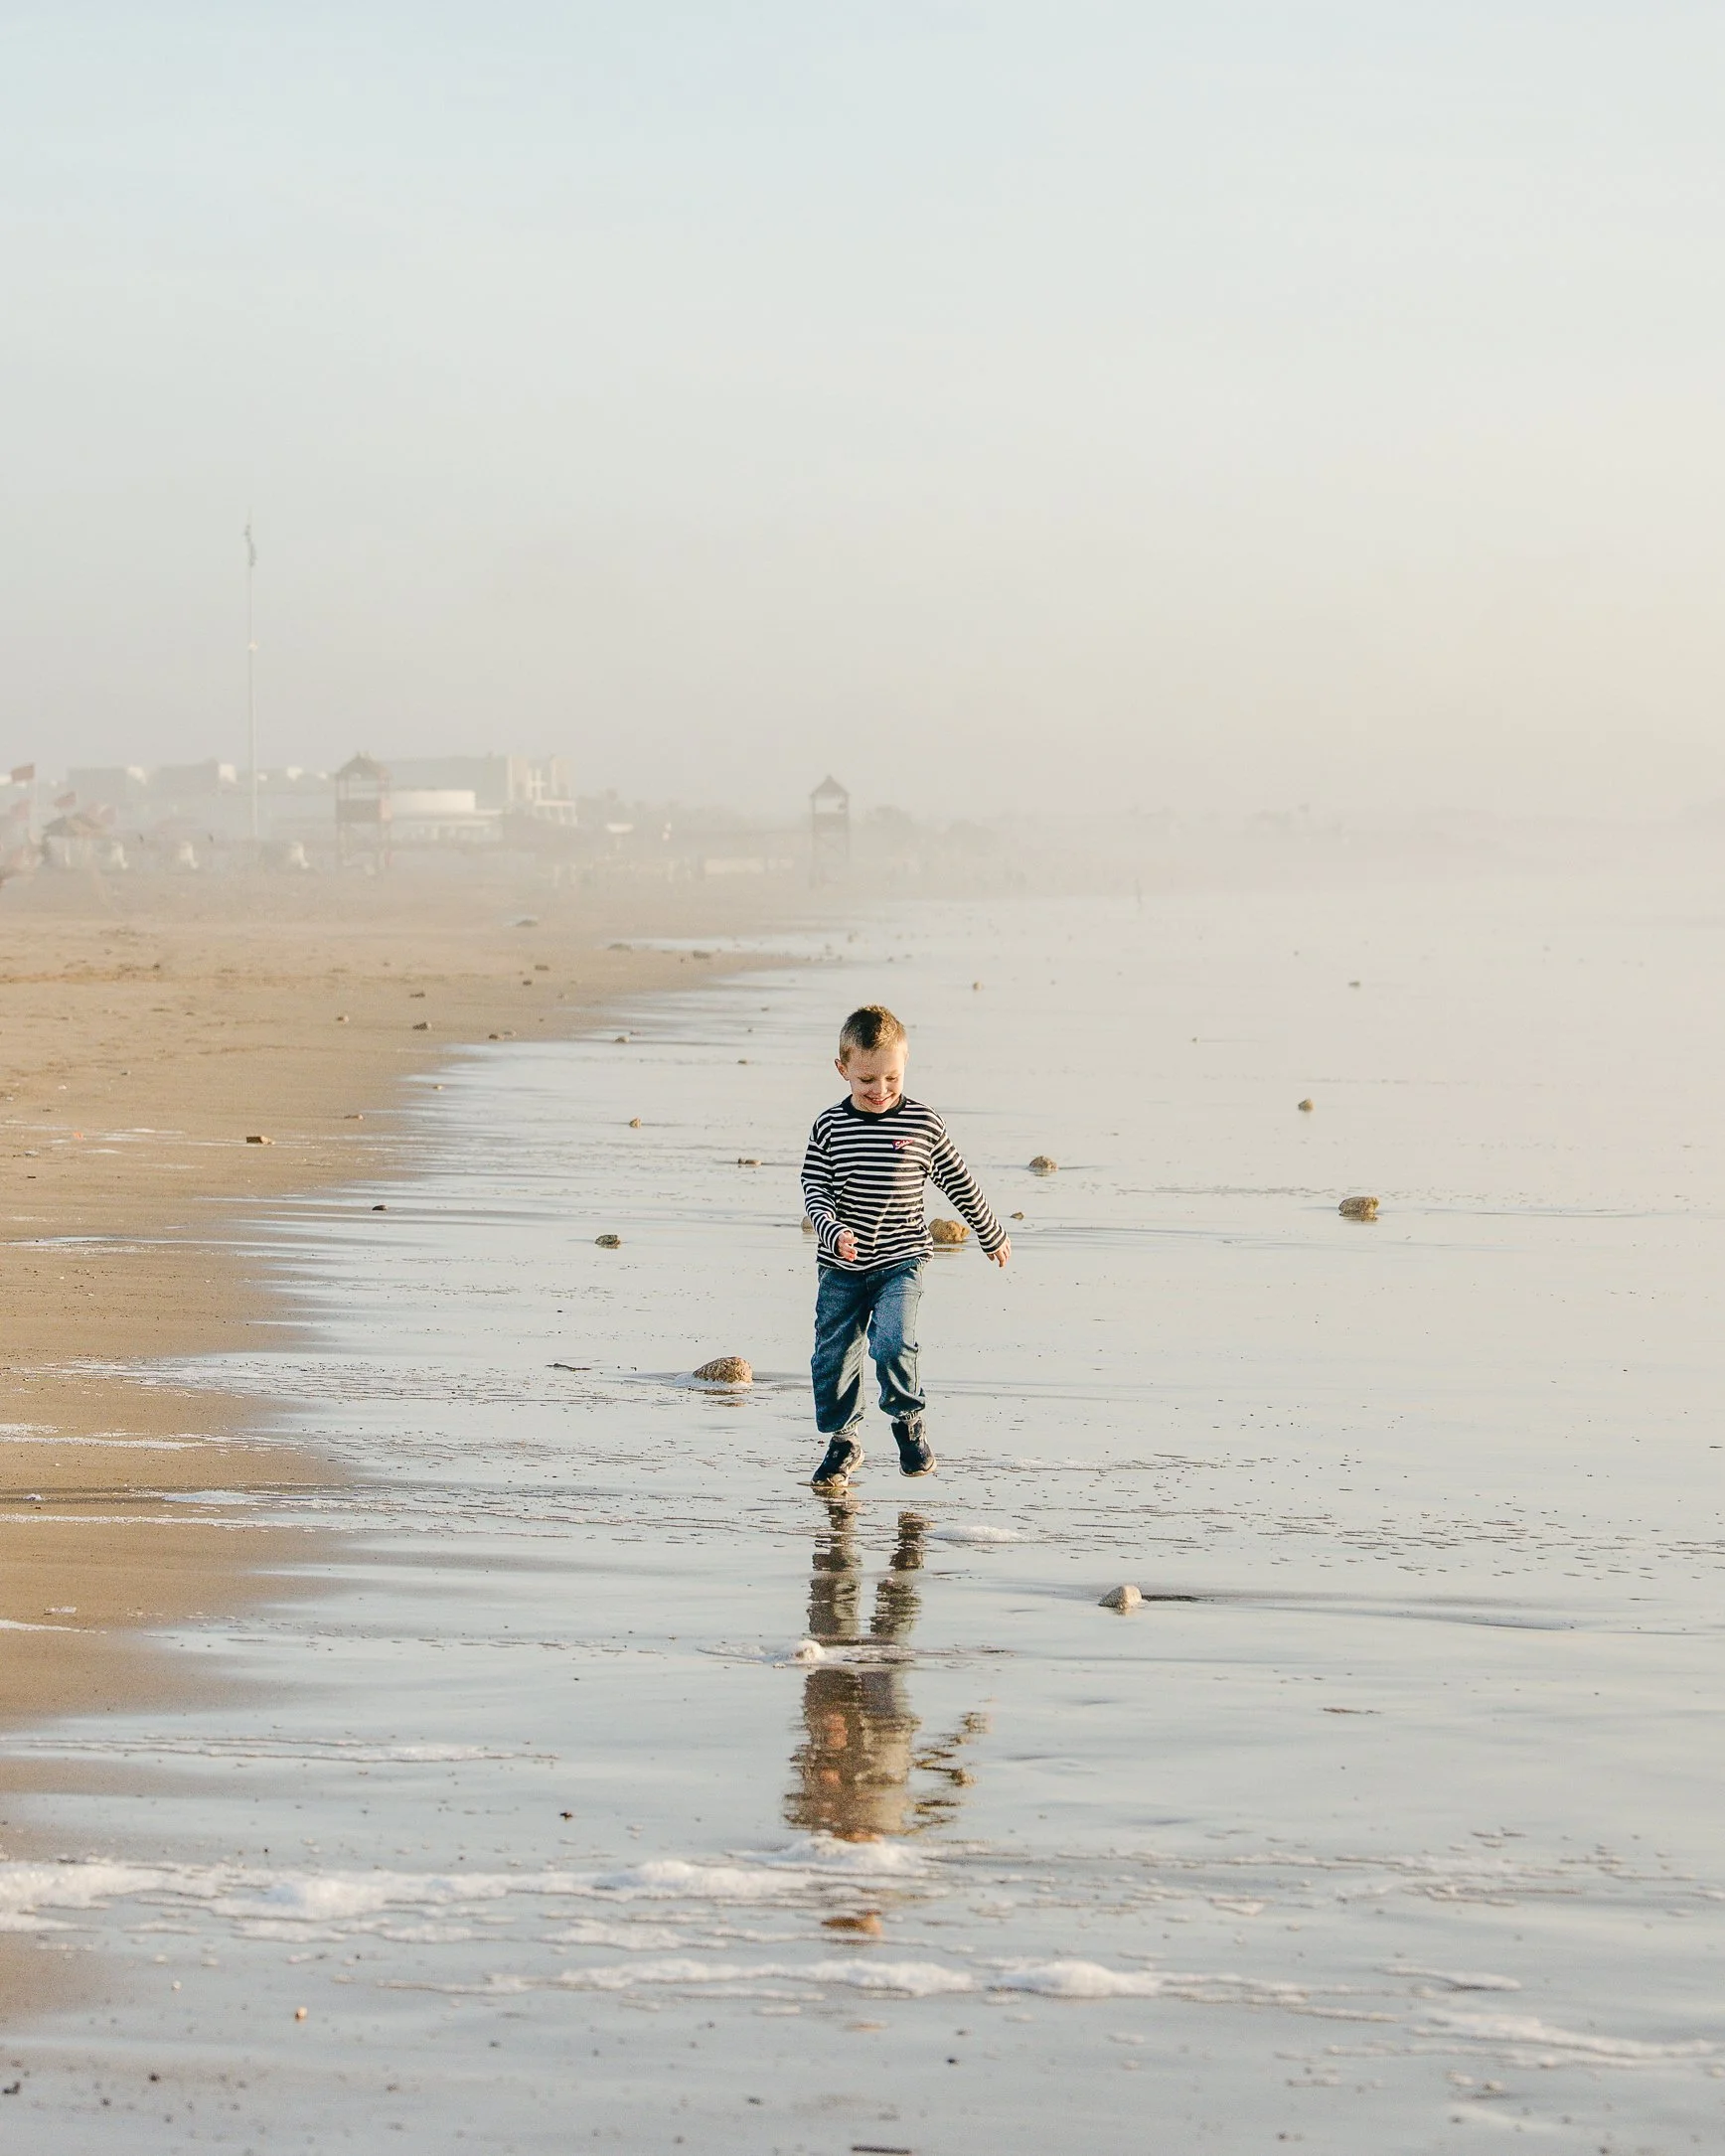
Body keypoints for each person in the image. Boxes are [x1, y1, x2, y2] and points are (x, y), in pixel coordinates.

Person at [799, 1003, 1010, 1491]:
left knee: (893, 1342)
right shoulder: (829, 1127)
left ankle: (907, 1420)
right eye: (866, 1080)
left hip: (901, 1261)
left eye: (890, 1079)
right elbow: (814, 1189)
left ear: (905, 1064)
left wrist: (988, 1230)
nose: (879, 1091)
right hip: (841, 1266)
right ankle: (844, 1441)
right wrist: (833, 1231)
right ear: (843, 1069)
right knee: (831, 1360)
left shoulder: (922, 1123)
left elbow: (958, 1180)